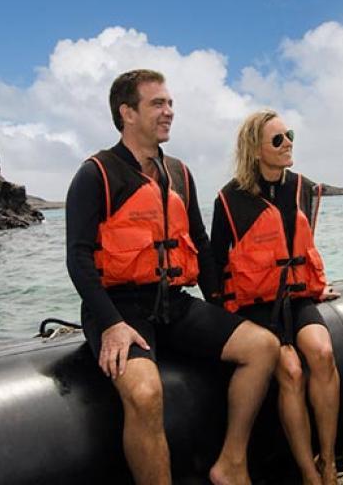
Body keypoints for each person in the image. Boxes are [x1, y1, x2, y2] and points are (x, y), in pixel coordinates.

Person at [66, 69, 280, 485]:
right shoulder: (96, 174)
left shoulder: (179, 173)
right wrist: (110, 324)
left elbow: (199, 243)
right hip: (121, 309)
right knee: (146, 394)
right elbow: (78, 258)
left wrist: (225, 307)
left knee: (263, 347)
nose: (169, 112)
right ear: (127, 112)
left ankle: (231, 463)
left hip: (175, 304)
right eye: (157, 104)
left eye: (170, 104)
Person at [210, 110, 341, 485]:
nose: (289, 145)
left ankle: (329, 463)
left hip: (297, 298)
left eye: (290, 136)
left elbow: (303, 246)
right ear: (255, 149)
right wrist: (221, 318)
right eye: (278, 140)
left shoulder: (301, 188)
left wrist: (316, 288)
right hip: (256, 306)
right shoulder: (228, 200)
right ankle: (308, 474)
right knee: (291, 370)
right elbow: (217, 262)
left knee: (323, 352)